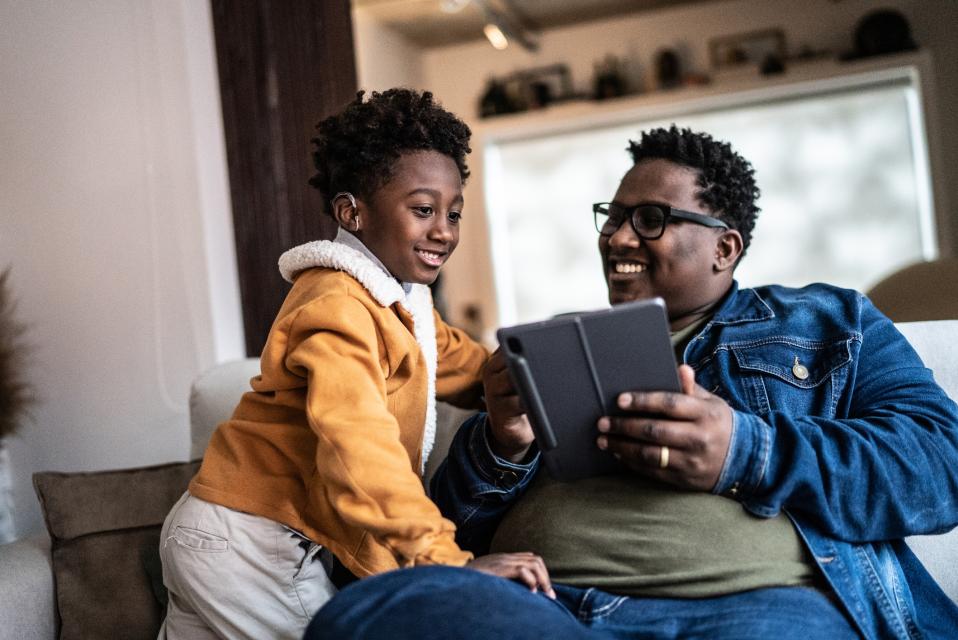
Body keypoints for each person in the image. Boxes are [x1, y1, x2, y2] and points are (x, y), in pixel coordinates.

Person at [305, 125, 958, 640]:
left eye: (650, 219)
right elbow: (449, 527)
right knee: (365, 615)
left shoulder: (826, 321)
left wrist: (745, 450)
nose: (617, 236)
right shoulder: (558, 341)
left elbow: (940, 464)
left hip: (755, 610)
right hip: (545, 610)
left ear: (724, 249)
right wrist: (501, 444)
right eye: (612, 216)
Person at [157, 88, 551, 640]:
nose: (444, 230)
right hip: (248, 544)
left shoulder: (403, 304)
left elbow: (469, 366)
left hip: (217, 533)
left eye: (453, 212)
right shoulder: (338, 306)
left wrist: (548, 377)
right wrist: (448, 564)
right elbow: (358, 445)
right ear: (352, 212)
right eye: (422, 210)